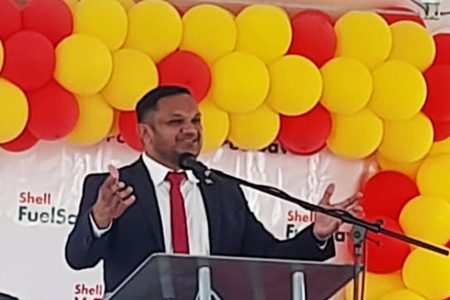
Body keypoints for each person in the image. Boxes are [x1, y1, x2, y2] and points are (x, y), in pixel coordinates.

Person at [65, 86, 362, 294]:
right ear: (146, 133)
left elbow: (268, 256)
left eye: (196, 121)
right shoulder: (111, 189)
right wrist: (100, 219)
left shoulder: (224, 191)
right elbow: (78, 258)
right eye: (175, 122)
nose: (191, 130)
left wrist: (317, 234)